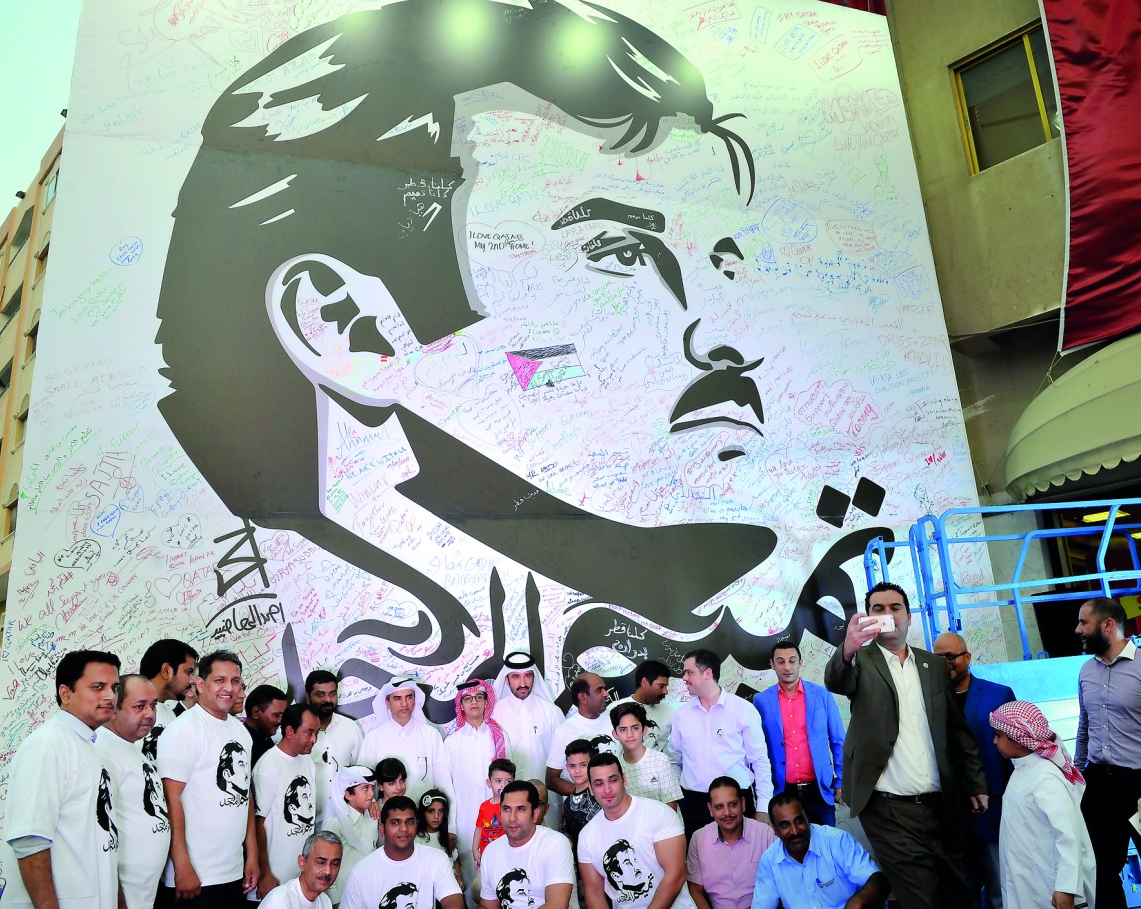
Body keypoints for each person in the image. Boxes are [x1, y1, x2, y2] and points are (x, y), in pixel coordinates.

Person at [157, 0, 889, 718]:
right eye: (620, 250)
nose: (726, 338)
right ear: (341, 326)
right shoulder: (359, 660)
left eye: (722, 260)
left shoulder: (769, 569)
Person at [824, 582, 987, 909]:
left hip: (942, 806)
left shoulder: (934, 666)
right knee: (920, 900)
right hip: (889, 812)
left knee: (962, 894)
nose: (887, 616)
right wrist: (847, 649)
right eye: (878, 609)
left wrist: (975, 783)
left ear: (908, 617)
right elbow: (837, 680)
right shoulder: (861, 661)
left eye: (895, 608)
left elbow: (957, 732)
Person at [1, 650, 122, 909]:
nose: (110, 696)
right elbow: (29, 841)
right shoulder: (49, 745)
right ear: (66, 694)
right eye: (98, 687)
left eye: (115, 687)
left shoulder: (86, 744)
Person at [158, 649, 259, 908]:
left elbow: (244, 795)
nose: (229, 688)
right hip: (195, 874)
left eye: (235, 681)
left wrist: (252, 855)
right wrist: (181, 866)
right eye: (220, 680)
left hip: (233, 870)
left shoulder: (241, 731)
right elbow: (170, 799)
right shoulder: (183, 730)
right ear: (200, 684)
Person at [933, 631, 1016, 908]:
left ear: (967, 657)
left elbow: (1015, 754)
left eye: (951, 657)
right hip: (950, 815)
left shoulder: (998, 695)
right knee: (961, 892)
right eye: (938, 658)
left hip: (994, 811)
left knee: (1000, 888)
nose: (946, 663)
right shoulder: (929, 702)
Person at [991, 701, 1095, 909]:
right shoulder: (1022, 771)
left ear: (1019, 739)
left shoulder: (1045, 778)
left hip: (1050, 885)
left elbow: (1069, 836)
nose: (994, 741)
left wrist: (1066, 888)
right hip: (1027, 879)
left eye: (998, 735)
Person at [1074, 596, 1141, 909]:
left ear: (1108, 625)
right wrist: (1074, 776)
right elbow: (1084, 728)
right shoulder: (1086, 671)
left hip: (1139, 783)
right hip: (1099, 782)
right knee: (1099, 870)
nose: (1078, 630)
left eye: (1084, 623)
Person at [670, 650, 771, 835]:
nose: (684, 677)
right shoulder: (681, 714)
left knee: (744, 861)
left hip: (736, 802)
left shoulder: (743, 710)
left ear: (707, 673)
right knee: (698, 862)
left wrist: (763, 808)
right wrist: (680, 799)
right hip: (694, 806)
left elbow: (760, 761)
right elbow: (674, 760)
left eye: (689, 672)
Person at [96, 673, 172, 909]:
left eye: (153, 705)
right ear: (113, 709)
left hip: (143, 895)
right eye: (140, 706)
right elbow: (98, 839)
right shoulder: (101, 752)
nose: (150, 714)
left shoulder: (131, 749)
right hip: (119, 898)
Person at [578, 753, 692, 909]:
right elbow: (594, 891)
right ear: (591, 789)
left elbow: (676, 875)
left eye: (613, 780)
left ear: (624, 780)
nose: (607, 789)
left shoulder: (659, 814)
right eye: (599, 783)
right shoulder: (587, 835)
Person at [752, 641, 845, 826]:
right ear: (772, 664)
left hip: (820, 788)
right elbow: (756, 749)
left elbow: (838, 740)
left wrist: (841, 779)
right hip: (783, 791)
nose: (787, 667)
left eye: (792, 661)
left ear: (800, 662)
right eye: (780, 661)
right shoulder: (761, 701)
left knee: (827, 845)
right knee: (791, 847)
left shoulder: (822, 695)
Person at [751, 792, 890, 909]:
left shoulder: (837, 841)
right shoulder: (769, 860)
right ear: (775, 830)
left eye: (799, 821)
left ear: (808, 819)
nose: (794, 831)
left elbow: (879, 882)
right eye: (784, 825)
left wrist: (856, 903)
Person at [340, 796, 464, 909]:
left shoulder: (436, 859)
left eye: (410, 822)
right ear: (382, 828)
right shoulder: (360, 873)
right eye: (395, 822)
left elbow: (454, 902)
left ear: (417, 825)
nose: (404, 828)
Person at [445, 678, 512, 885]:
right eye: (468, 699)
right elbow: (447, 787)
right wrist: (451, 827)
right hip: (466, 821)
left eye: (479, 697)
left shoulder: (499, 736)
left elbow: (510, 781)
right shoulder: (451, 742)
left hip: (500, 820)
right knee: (471, 876)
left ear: (486, 702)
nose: (474, 702)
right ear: (461, 705)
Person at [254, 704, 323, 899]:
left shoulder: (308, 763)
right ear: (290, 731)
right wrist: (265, 872)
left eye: (317, 733)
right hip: (273, 877)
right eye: (309, 732)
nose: (314, 740)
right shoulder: (268, 766)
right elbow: (256, 824)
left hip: (299, 878)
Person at [494, 654, 565, 827]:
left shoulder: (552, 712)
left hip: (547, 800)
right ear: (507, 679)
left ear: (534, 677)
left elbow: (564, 761)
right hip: (510, 802)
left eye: (528, 675)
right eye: (516, 677)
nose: (523, 683)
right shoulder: (496, 713)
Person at [480, 781, 575, 909]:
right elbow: (487, 906)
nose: (512, 818)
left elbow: (556, 905)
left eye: (521, 809)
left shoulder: (555, 844)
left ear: (535, 814)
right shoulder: (491, 851)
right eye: (506, 809)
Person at [357, 676, 452, 802]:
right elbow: (364, 781)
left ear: (414, 700)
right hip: (387, 818)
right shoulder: (374, 738)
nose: (404, 704)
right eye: (397, 698)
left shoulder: (431, 735)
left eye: (409, 697)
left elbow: (443, 782)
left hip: (424, 816)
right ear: (387, 703)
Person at [686, 776, 775, 909]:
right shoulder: (699, 839)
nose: (727, 812)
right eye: (719, 807)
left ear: (743, 804)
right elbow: (695, 890)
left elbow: (779, 882)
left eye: (732, 804)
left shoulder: (765, 834)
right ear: (711, 809)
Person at [305, 670, 365, 824]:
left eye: (332, 694)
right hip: (304, 820)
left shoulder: (350, 728)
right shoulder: (296, 731)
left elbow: (362, 774)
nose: (328, 699)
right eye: (320, 695)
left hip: (344, 820)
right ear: (307, 697)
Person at [546, 674, 615, 799]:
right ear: (583, 697)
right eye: (599, 690)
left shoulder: (615, 722)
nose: (606, 694)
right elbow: (551, 780)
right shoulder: (564, 732)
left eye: (605, 689)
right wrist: (586, 793)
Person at [324, 766, 379, 905]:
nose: (372, 794)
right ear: (348, 794)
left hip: (370, 890)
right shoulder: (336, 823)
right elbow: (327, 865)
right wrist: (335, 901)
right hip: (344, 894)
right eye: (365, 788)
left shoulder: (373, 816)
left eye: (372, 788)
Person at [610, 704, 680, 809]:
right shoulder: (615, 767)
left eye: (635, 728)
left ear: (644, 730)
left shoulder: (660, 760)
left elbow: (671, 805)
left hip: (665, 823)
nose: (630, 735)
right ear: (615, 734)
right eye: (623, 729)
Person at [608, 662, 679, 766]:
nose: (665, 691)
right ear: (645, 682)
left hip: (660, 777)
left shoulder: (669, 711)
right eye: (661, 686)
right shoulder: (614, 709)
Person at [139, 639, 199, 761]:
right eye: (188, 672)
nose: (193, 680)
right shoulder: (125, 714)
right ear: (166, 671)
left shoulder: (172, 716)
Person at [257, 832, 344, 909]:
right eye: (321, 862)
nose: (328, 871)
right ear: (302, 862)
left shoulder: (325, 902)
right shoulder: (279, 902)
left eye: (335, 864)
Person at [560, 741, 600, 856]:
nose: (577, 771)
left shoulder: (602, 794)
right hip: (580, 860)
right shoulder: (567, 803)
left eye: (583, 765)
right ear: (567, 767)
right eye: (572, 766)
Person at [418, 790, 464, 891]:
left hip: (452, 888)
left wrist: (460, 881)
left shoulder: (447, 837)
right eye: (431, 811)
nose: (436, 816)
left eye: (441, 811)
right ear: (423, 812)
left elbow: (454, 860)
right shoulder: (416, 839)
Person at [475, 759, 517, 864]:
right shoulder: (484, 806)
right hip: (486, 857)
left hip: (507, 856)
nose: (503, 785)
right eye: (498, 781)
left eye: (508, 781)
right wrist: (475, 849)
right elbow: (479, 828)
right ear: (489, 783)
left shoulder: (514, 806)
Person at [244, 685, 290, 769]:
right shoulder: (244, 745)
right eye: (276, 715)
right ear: (256, 712)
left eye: (283, 715)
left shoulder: (265, 739)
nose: (280, 721)